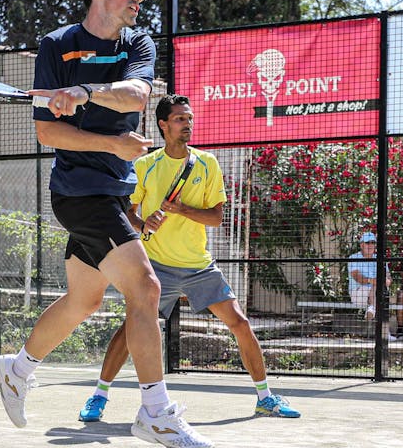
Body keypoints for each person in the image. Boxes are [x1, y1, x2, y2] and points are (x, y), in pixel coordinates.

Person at [0, 0, 213, 448]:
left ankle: (16, 370)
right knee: (146, 289)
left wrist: (85, 93)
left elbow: (137, 93)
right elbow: (48, 134)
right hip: (79, 192)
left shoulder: (137, 44)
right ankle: (156, 412)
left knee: (85, 300)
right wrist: (109, 139)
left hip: (114, 191)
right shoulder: (55, 46)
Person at [77, 94, 301, 423]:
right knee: (129, 331)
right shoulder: (145, 165)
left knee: (239, 323)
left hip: (199, 266)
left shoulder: (207, 163)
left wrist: (181, 209)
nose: (188, 124)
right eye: (180, 119)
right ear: (164, 124)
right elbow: (127, 213)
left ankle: (265, 398)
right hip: (156, 268)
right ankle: (99, 396)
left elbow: (215, 218)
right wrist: (144, 222)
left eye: (189, 118)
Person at [347, 232, 389, 320]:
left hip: (378, 293)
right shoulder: (353, 258)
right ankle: (372, 309)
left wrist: (387, 280)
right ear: (361, 245)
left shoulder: (380, 258)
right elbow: (357, 277)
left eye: (373, 242)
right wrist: (373, 281)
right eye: (367, 242)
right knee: (378, 289)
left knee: (381, 291)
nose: (370, 245)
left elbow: (388, 277)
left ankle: (372, 309)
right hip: (359, 293)